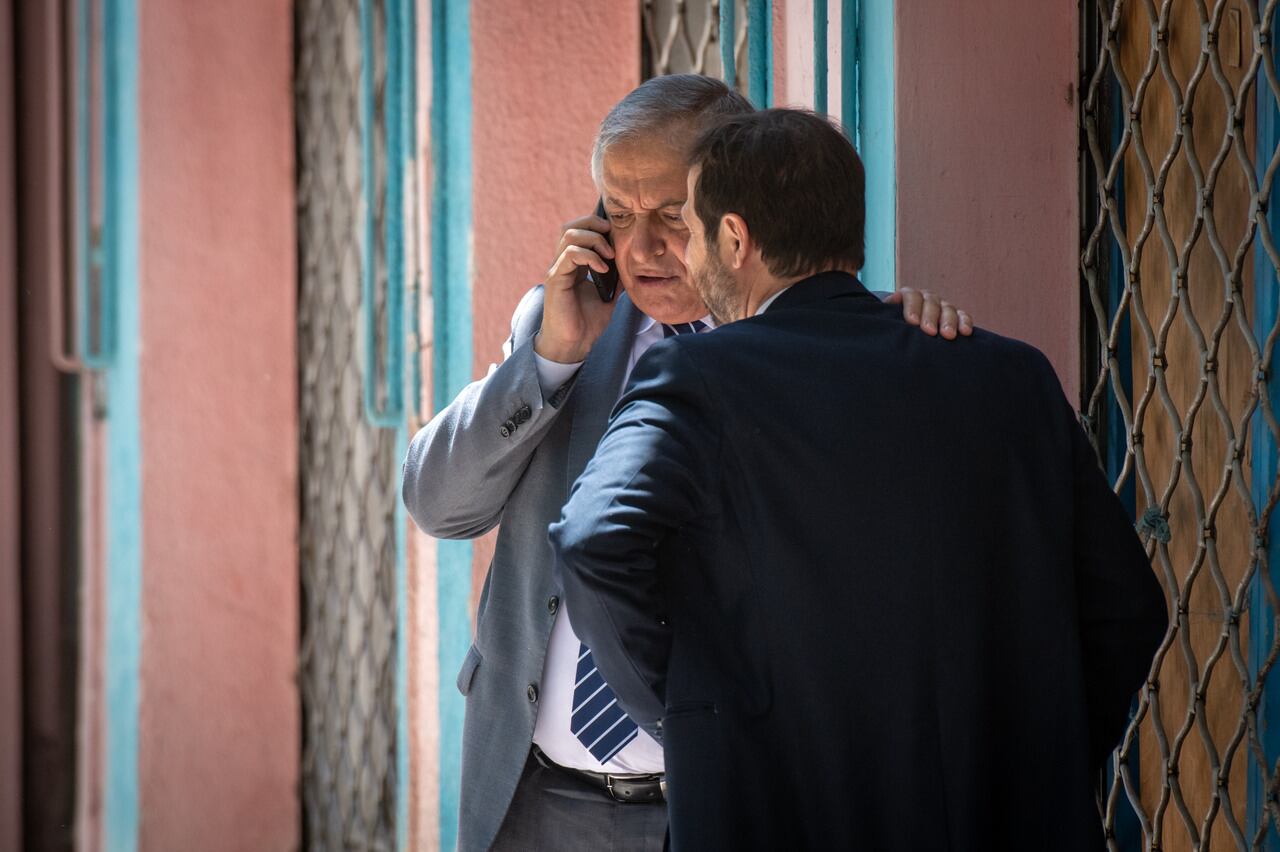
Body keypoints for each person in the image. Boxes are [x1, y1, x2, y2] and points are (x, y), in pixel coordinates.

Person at [549, 108, 1168, 851]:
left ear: (736, 240)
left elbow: (590, 538)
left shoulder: (693, 377)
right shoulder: (1012, 373)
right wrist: (1035, 759)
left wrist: (685, 708)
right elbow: (1129, 609)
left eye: (695, 229)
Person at [402, 76, 974, 851]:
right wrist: (548, 361)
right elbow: (440, 505)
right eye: (618, 214)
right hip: (536, 795)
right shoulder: (567, 324)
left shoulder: (821, 346)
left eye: (671, 214)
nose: (641, 249)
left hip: (727, 803)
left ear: (733, 209)